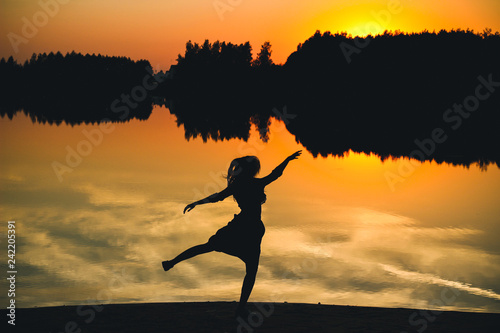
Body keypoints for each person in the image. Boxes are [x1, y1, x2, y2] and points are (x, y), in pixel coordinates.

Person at [162, 150, 302, 318]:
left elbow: (217, 197)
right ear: (251, 170)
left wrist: (197, 202)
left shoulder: (237, 186)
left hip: (242, 226)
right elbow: (275, 174)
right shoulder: (256, 184)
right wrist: (287, 159)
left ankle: (172, 262)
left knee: (209, 247)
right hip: (251, 229)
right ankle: (241, 308)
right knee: (250, 271)